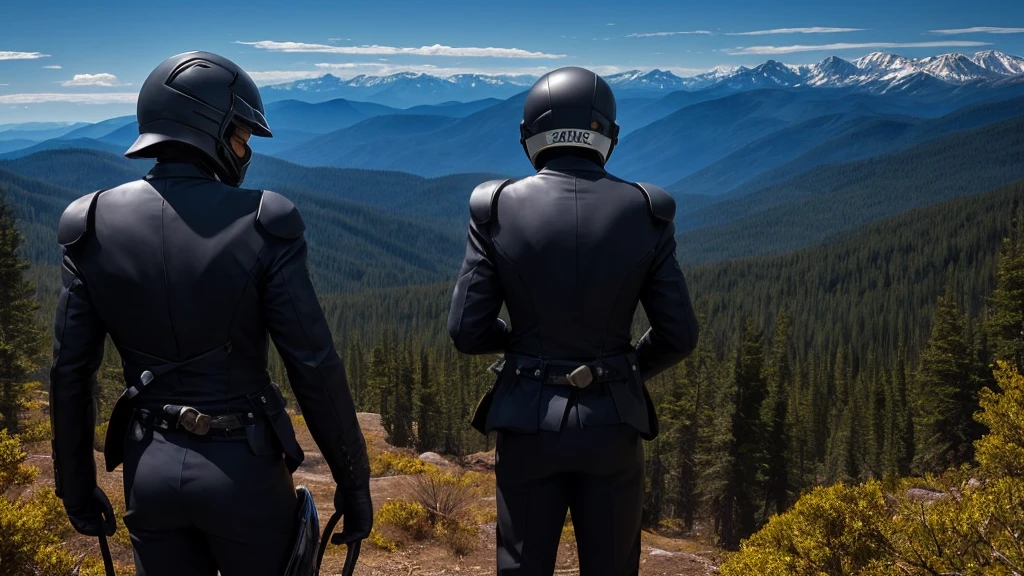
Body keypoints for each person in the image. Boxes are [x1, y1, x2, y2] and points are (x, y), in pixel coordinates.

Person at [48, 51, 372, 575]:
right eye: (242, 136)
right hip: (243, 468)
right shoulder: (265, 220)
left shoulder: (86, 223)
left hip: (147, 469)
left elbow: (69, 374)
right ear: (212, 127)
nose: (245, 151)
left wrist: (76, 489)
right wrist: (353, 482)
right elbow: (313, 364)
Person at [447, 66, 699, 575]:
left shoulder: (495, 208)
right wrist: (623, 370)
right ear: (610, 134)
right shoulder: (648, 211)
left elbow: (467, 331)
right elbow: (679, 334)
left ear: (528, 136)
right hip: (614, 422)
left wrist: (520, 346)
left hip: (527, 420)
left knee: (521, 564)